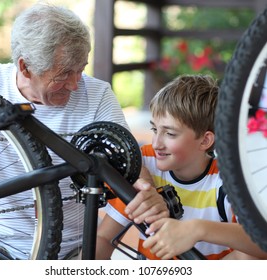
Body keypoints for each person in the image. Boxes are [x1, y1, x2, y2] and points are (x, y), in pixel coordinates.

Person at [0, 3, 168, 259]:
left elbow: (127, 161)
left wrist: (145, 190)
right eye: (64, 74)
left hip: (72, 248)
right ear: (25, 67)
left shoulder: (97, 94)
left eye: (81, 70)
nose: (75, 85)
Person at [96, 74, 267, 260]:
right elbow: (104, 237)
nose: (156, 143)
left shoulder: (231, 180)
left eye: (170, 133)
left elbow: (262, 244)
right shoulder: (144, 163)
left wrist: (198, 229)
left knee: (251, 257)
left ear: (205, 140)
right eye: (154, 129)